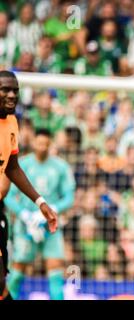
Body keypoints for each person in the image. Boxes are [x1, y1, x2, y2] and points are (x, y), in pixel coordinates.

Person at [0, 70, 58, 300]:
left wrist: (40, 201)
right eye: (5, 89)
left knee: (2, 280)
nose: (12, 95)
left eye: (15, 90)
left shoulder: (12, 122)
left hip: (0, 211)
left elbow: (13, 167)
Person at [4, 128, 75, 300]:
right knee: (17, 271)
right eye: (39, 143)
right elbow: (7, 195)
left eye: (45, 144)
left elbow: (69, 196)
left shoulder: (60, 167)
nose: (42, 147)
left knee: (55, 270)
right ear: (33, 142)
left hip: (50, 224)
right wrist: (25, 215)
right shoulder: (21, 165)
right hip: (25, 226)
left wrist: (54, 209)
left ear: (50, 144)